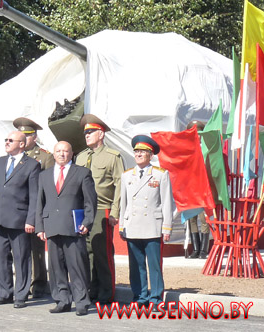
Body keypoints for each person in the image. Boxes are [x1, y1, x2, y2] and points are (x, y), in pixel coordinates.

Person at [35, 141, 97, 316]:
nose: (62, 154)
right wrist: (40, 226)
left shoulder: (82, 173)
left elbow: (90, 202)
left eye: (66, 151)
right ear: (53, 154)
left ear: (71, 154)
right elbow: (40, 202)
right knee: (56, 267)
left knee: (77, 265)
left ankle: (82, 301)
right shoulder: (44, 175)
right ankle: (62, 300)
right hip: (52, 226)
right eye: (58, 151)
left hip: (73, 227)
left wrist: (87, 221)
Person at [0, 131, 41, 309]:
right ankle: (4, 293)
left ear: (22, 144)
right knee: (0, 258)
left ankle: (21, 294)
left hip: (19, 220)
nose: (6, 143)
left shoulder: (32, 165)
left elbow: (34, 195)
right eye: (6, 140)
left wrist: (31, 220)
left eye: (11, 140)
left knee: (21, 258)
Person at [119, 135, 173, 312]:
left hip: (152, 226)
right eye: (136, 151)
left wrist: (167, 227)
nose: (139, 154)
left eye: (143, 151)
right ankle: (140, 296)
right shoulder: (127, 176)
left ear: (151, 155)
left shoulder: (160, 174)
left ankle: (156, 298)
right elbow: (123, 204)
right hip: (133, 225)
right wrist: (122, 225)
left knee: (154, 266)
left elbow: (166, 202)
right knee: (136, 265)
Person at [75, 114, 124, 305]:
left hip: (101, 209)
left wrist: (114, 212)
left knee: (102, 253)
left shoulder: (113, 156)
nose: (86, 135)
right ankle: (91, 289)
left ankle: (106, 293)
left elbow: (120, 186)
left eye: (90, 132)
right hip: (81, 210)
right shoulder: (81, 157)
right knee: (85, 253)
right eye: (85, 132)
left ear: (101, 134)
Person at [13, 117, 54, 298]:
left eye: (27, 136)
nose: (24, 139)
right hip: (16, 209)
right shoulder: (13, 157)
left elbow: (49, 186)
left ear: (34, 137)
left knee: (36, 249)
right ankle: (22, 282)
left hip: (36, 208)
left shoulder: (45, 157)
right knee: (19, 248)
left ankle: (38, 283)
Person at [185, 120, 210, 259]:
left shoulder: (205, 148)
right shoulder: (187, 148)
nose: (196, 134)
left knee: (203, 218)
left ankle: (203, 250)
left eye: (198, 131)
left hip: (202, 186)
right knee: (191, 218)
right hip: (190, 186)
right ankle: (196, 248)